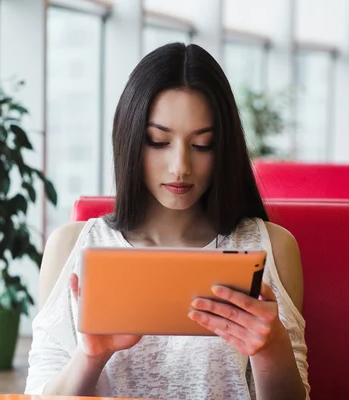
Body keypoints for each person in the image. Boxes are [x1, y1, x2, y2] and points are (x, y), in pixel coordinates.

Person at [25, 43, 309, 400]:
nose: (180, 166)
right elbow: (37, 394)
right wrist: (90, 357)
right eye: (158, 141)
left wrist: (271, 349)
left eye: (202, 145)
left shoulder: (272, 248)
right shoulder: (70, 247)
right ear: (130, 141)